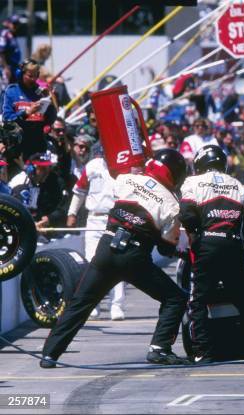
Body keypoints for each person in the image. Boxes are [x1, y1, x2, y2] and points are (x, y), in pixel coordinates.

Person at [39, 149, 190, 368]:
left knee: (81, 302)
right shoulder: (172, 204)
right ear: (175, 174)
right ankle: (159, 349)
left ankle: (49, 354)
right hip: (135, 258)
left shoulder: (126, 179)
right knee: (175, 299)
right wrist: (178, 250)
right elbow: (166, 247)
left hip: (106, 249)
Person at [179, 145, 244, 363]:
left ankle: (203, 352)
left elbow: (186, 213)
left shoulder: (192, 182)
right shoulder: (237, 184)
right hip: (233, 246)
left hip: (207, 244)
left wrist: (196, 234)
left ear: (200, 163)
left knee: (197, 301)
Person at [67, 151, 126, 321]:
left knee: (118, 261)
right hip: (94, 218)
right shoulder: (92, 166)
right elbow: (79, 191)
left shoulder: (124, 168)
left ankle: (117, 305)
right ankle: (92, 305)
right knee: (91, 262)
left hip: (117, 219)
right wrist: (72, 213)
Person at [2, 59, 57, 161]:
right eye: (30, 76)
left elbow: (51, 120)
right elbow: (7, 119)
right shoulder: (12, 91)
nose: (33, 79)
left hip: (38, 146)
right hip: (18, 148)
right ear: (20, 74)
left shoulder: (40, 92)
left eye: (36, 76)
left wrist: (49, 101)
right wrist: (26, 113)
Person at [9, 152, 63, 231]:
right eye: (43, 169)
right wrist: (33, 226)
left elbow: (32, 211)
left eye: (48, 169)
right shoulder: (22, 184)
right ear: (31, 169)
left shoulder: (35, 184)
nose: (47, 173)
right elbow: (19, 213)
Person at [0, 15, 22, 84]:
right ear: (8, 23)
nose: (16, 26)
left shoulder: (13, 35)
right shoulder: (5, 34)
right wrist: (5, 67)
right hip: (6, 68)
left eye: (17, 24)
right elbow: (1, 52)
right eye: (14, 24)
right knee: (5, 90)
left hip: (13, 68)